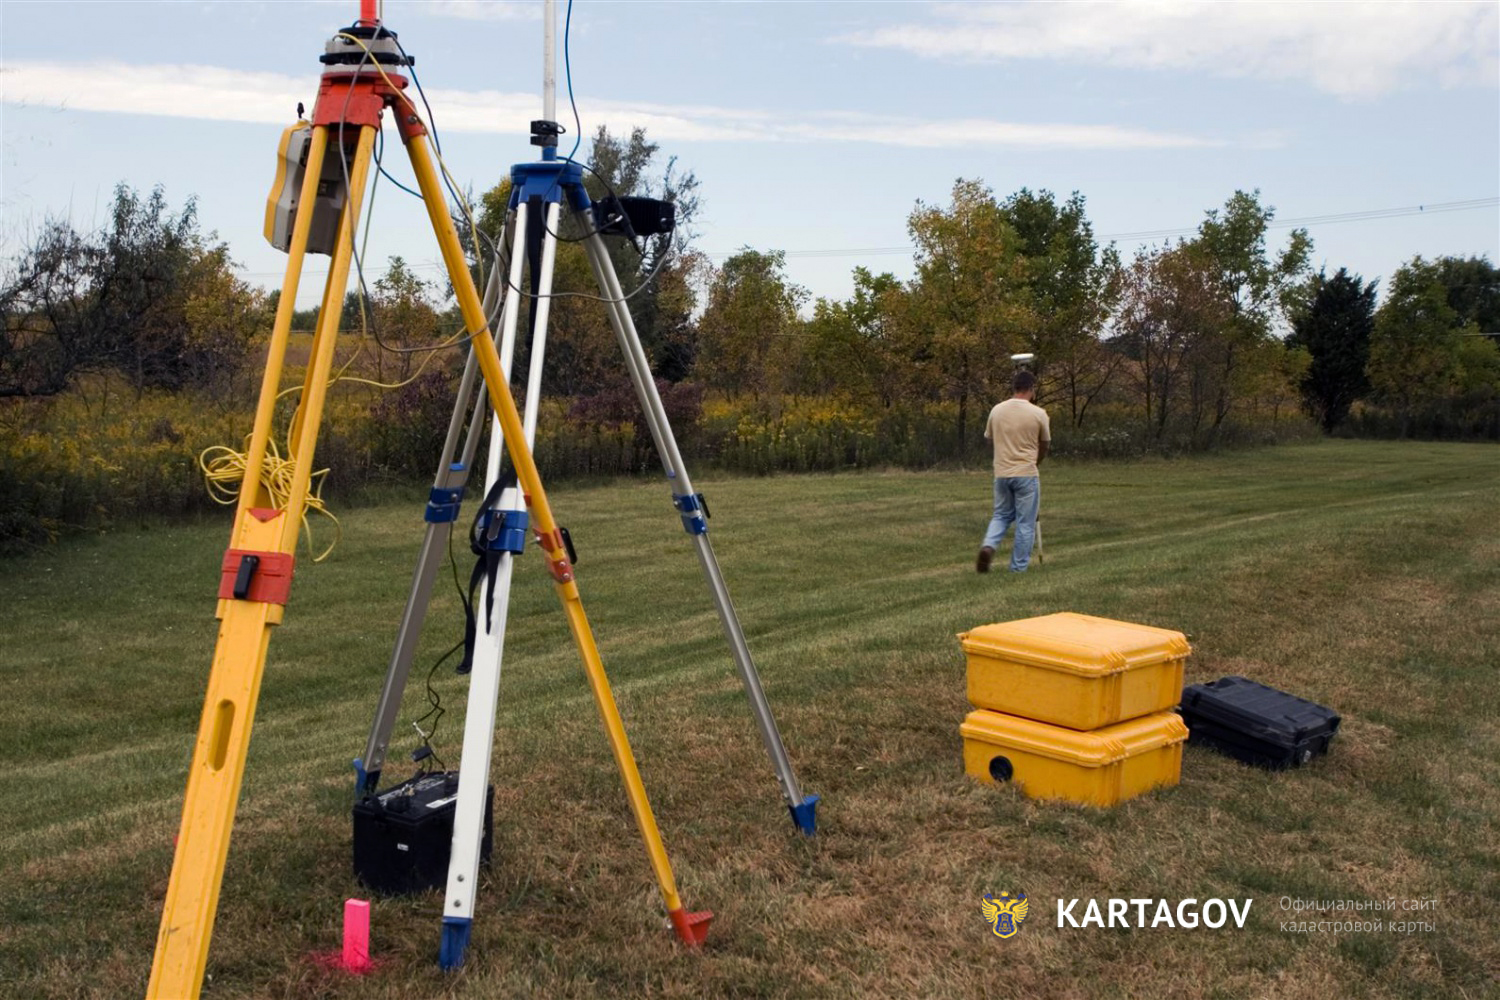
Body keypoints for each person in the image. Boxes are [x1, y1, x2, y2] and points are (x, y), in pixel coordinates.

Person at [977, 370, 1050, 573]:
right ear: (1031, 389)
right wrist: (1037, 461)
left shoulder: (997, 410)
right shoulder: (1038, 414)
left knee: (1001, 515)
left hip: (1001, 473)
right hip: (1026, 472)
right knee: (1025, 523)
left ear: (1014, 388)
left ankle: (989, 546)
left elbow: (989, 440)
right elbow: (1045, 444)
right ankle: (1018, 568)